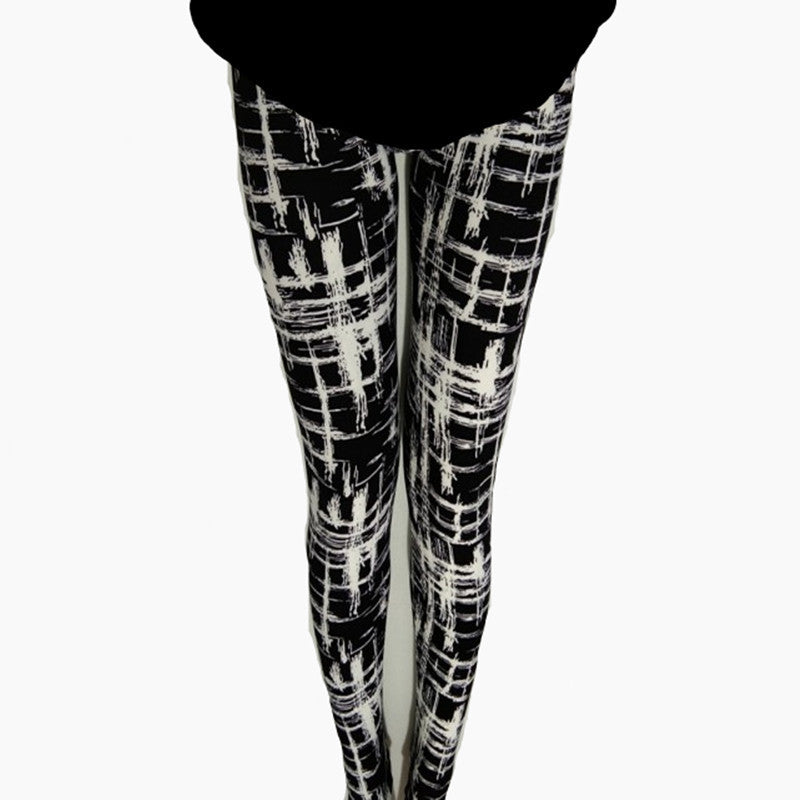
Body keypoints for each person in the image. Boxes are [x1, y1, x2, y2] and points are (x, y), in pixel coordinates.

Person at [192, 7, 616, 798]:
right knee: (384, 494)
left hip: (495, 60)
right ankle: (371, 787)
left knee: (427, 494)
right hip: (312, 61)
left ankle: (415, 790)